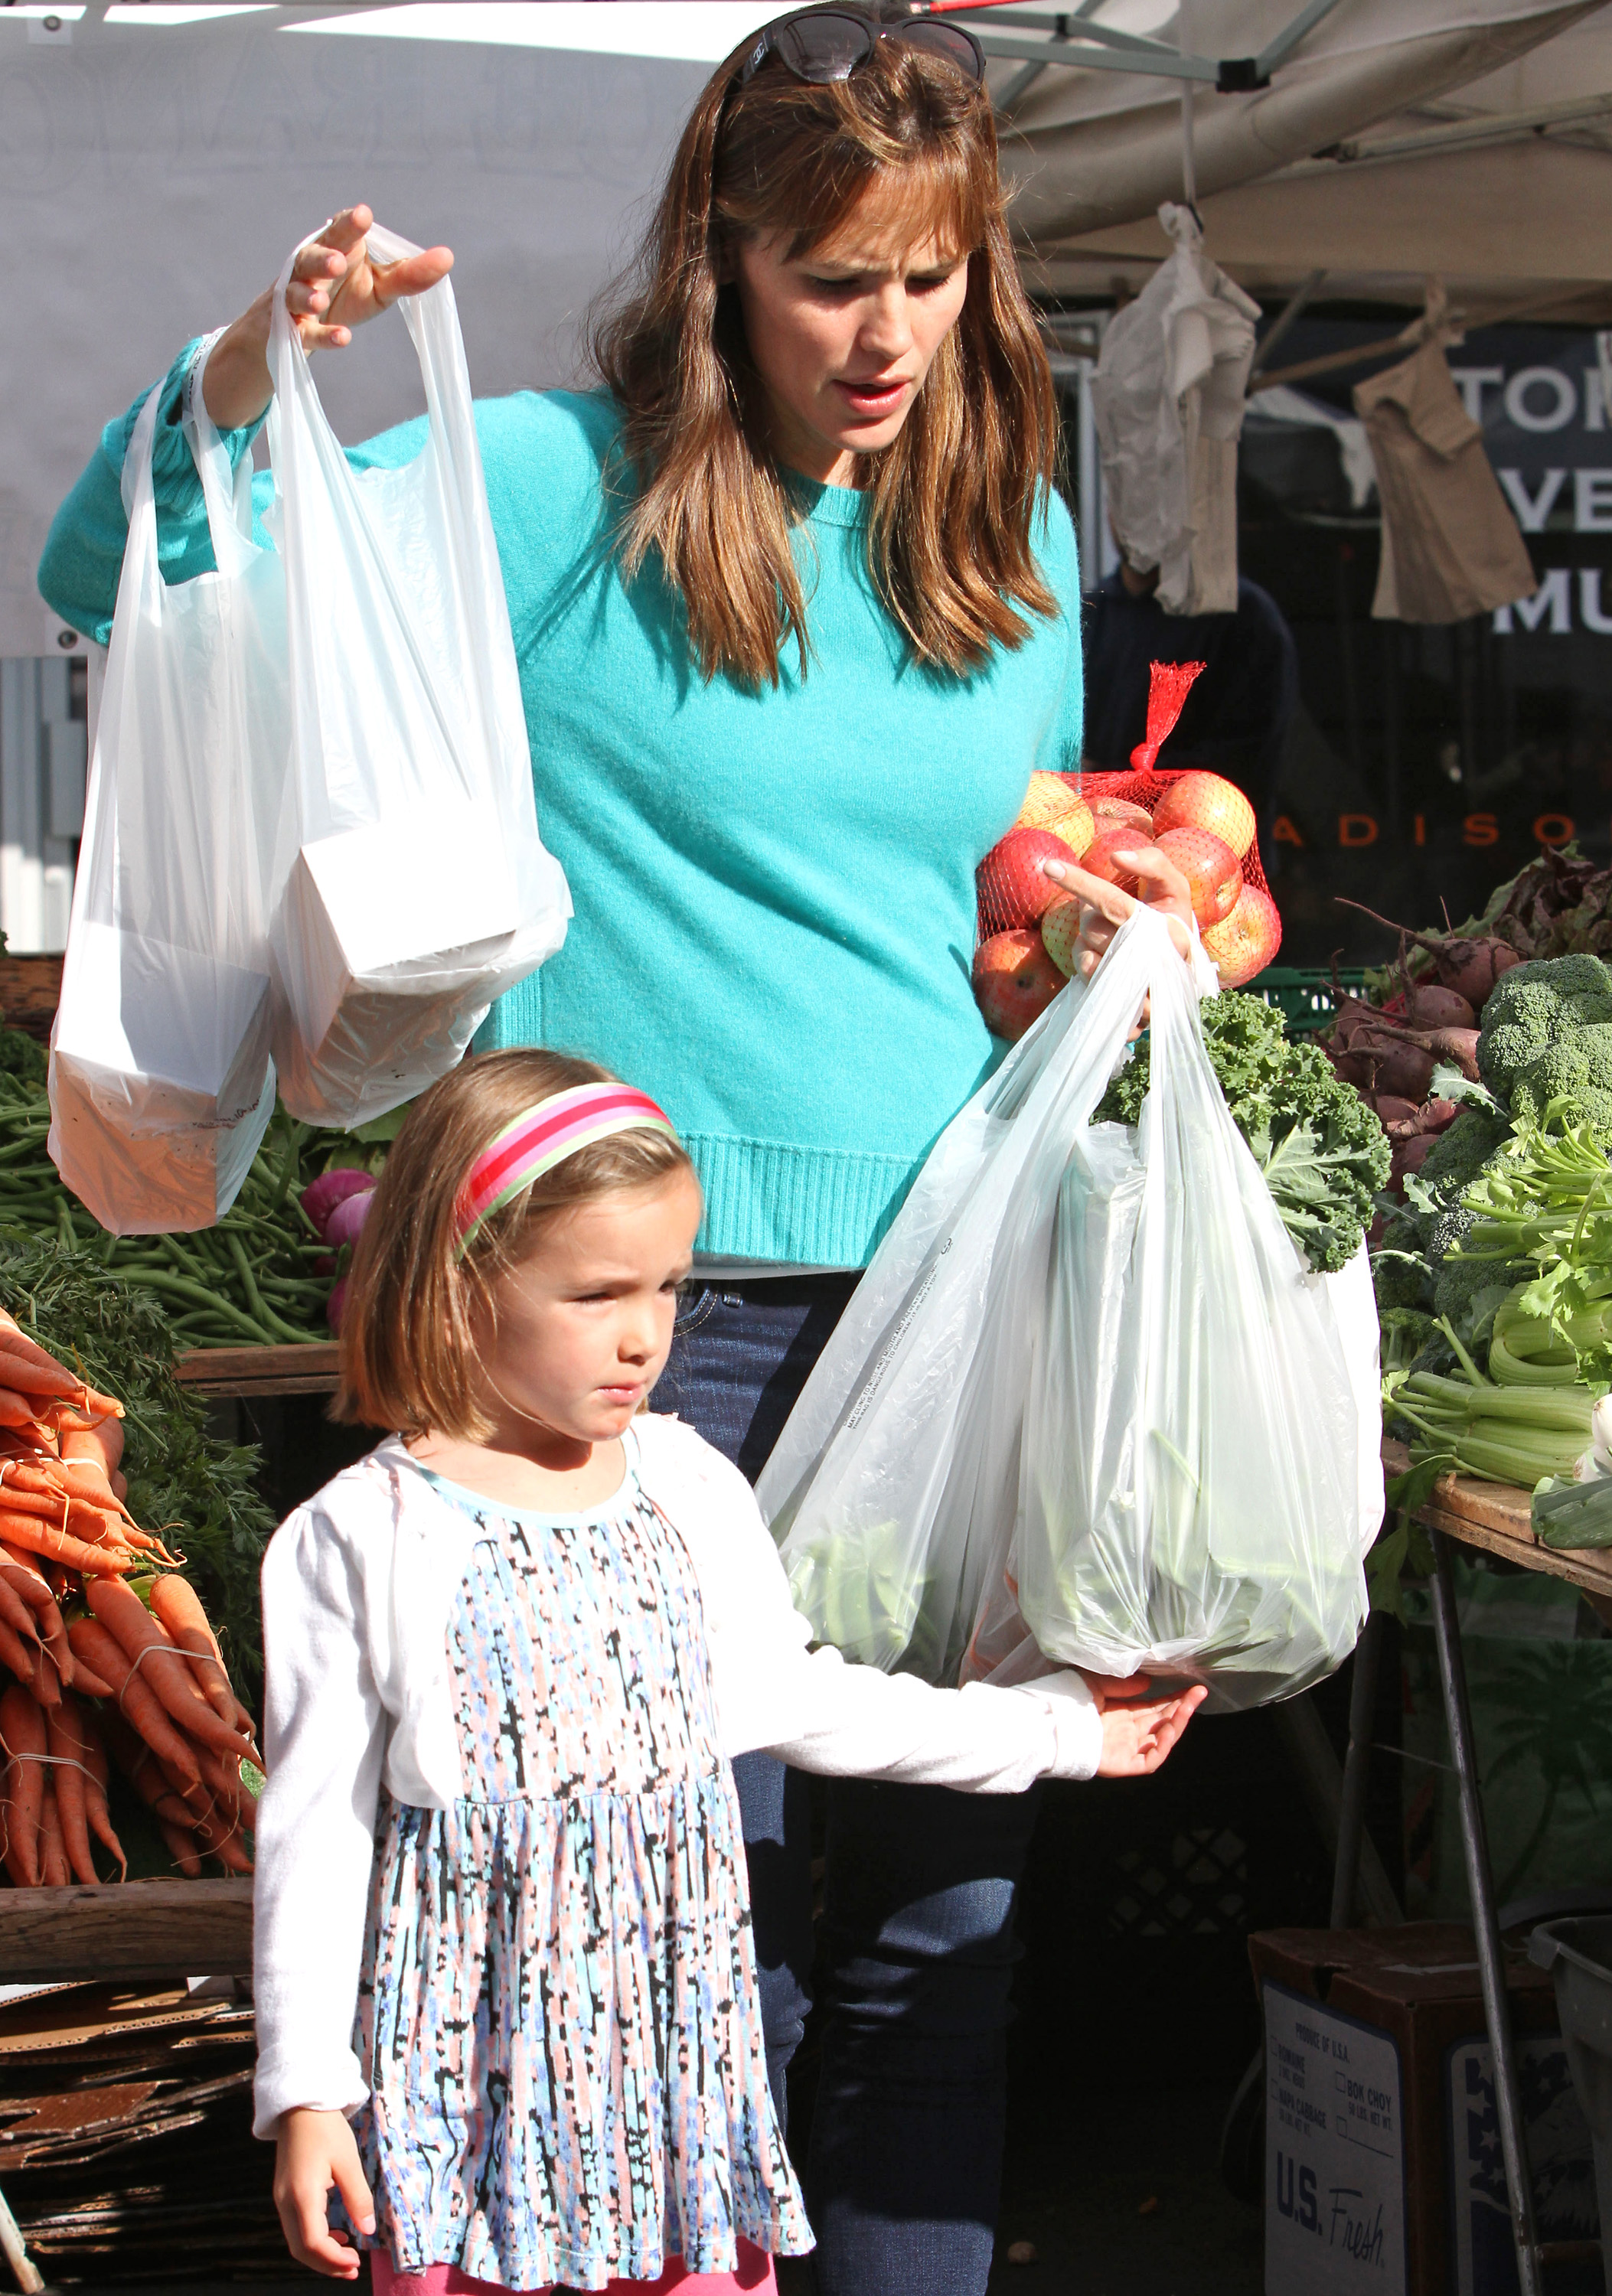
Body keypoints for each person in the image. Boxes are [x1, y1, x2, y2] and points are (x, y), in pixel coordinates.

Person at [38, 8, 1197, 2288]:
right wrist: (267, 354)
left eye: (931, 278)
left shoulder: (1020, 543)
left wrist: (1105, 925)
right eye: (829, 274)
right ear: (721, 261)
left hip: (963, 1314)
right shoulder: (549, 490)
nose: (884, 337)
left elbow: (974, 931)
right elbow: (125, 567)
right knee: (679, 1945)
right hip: (626, 1337)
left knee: (945, 1937)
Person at [256, 1049, 1205, 2292]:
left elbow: (802, 1702)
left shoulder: (691, 1486)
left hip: (678, 2099)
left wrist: (1056, 1732)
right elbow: (316, 1834)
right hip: (472, 2109)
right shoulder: (360, 1537)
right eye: (596, 1294)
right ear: (458, 1281)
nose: (645, 1334)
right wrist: (309, 2091)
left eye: (668, 1287)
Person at [1082, 559, 1299, 821]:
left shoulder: (1244, 614)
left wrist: (1105, 779)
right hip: (1094, 841)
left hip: (1204, 842)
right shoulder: (1093, 610)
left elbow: (1245, 764)